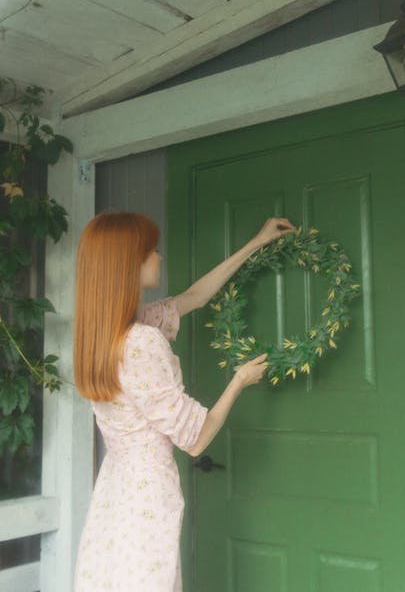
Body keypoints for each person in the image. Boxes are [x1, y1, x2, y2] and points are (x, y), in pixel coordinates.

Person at [72, 211, 296, 592]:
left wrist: (255, 243)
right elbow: (196, 440)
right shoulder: (141, 341)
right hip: (147, 496)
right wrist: (240, 380)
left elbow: (196, 296)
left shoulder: (101, 335)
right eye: (151, 250)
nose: (159, 256)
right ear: (129, 263)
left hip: (115, 489)